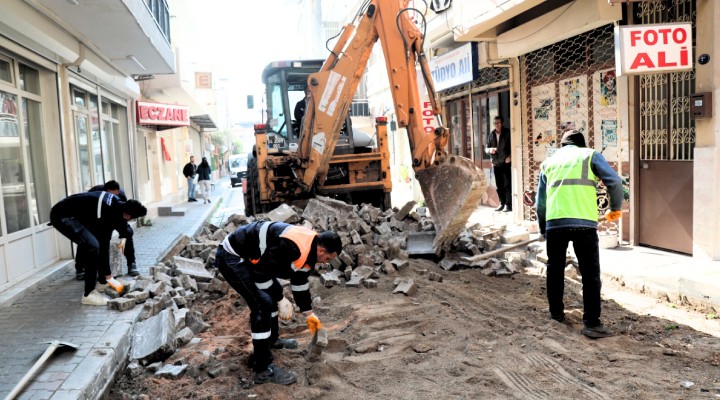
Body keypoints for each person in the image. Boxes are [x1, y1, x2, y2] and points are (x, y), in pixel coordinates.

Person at [215, 221, 342, 385]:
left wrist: (309, 314)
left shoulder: (310, 252)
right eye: (327, 258)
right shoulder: (292, 246)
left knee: (272, 293)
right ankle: (263, 369)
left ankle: (271, 341)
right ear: (322, 250)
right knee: (263, 304)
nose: (326, 262)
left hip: (253, 259)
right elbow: (260, 274)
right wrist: (281, 299)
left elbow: (299, 283)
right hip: (232, 256)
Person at [535, 129, 623, 339]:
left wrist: (543, 228)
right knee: (590, 274)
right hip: (584, 225)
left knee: (554, 270)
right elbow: (615, 183)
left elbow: (540, 204)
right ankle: (592, 323)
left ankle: (556, 314)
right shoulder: (590, 155)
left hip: (555, 224)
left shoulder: (549, 162)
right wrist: (615, 209)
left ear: (563, 146)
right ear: (581, 145)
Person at [50, 192, 147, 305]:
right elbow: (101, 246)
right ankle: (88, 294)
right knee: (92, 247)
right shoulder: (106, 211)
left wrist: (107, 278)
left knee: (98, 246)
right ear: (127, 216)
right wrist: (109, 276)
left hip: (77, 215)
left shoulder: (117, 209)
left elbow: (104, 245)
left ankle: (102, 282)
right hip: (62, 215)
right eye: (130, 220)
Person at [73, 180, 139, 279]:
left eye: (115, 195)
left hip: (116, 217)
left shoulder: (120, 194)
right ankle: (80, 268)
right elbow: (83, 209)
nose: (112, 197)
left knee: (127, 234)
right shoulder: (93, 193)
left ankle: (131, 264)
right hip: (94, 218)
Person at [486, 116, 512, 212]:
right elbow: (486, 148)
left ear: (502, 123)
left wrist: (510, 156)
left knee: (507, 184)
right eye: (495, 123)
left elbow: (512, 145)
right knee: (499, 185)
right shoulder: (491, 135)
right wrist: (490, 150)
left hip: (505, 162)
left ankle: (509, 205)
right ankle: (502, 203)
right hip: (496, 163)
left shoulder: (507, 133)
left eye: (498, 123)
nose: (496, 125)